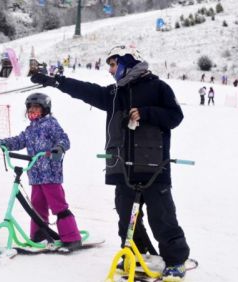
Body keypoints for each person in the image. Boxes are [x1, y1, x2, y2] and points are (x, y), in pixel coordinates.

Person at [30, 45, 189, 280]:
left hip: (154, 167)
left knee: (162, 218)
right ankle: (137, 254)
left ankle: (176, 261)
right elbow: (85, 90)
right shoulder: (115, 94)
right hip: (123, 169)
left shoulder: (158, 88)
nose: (110, 70)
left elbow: (175, 116)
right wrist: (56, 81)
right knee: (127, 220)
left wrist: (146, 113)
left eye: (114, 65)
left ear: (128, 62)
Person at [0, 93, 82, 252]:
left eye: (36, 108)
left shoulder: (51, 124)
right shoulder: (30, 129)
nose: (33, 111)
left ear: (45, 109)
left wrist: (59, 148)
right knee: (37, 206)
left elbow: (64, 139)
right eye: (30, 108)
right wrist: (1, 143)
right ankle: (39, 234)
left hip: (50, 174)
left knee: (58, 205)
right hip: (35, 175)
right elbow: (18, 141)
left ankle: (72, 237)